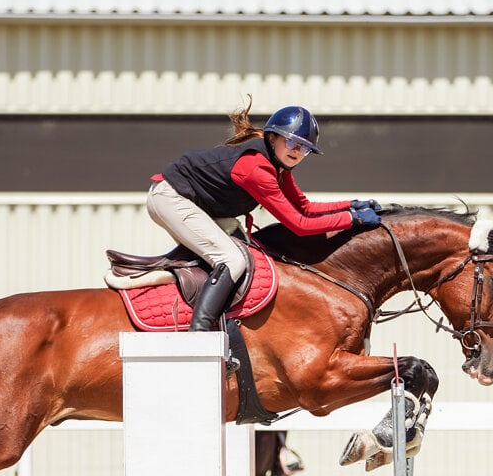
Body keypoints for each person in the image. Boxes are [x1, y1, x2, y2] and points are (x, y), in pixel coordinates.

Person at [148, 101, 383, 332]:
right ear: (272, 138)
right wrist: (353, 220)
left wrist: (350, 205)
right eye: (292, 142)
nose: (298, 152)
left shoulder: (278, 166)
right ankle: (199, 334)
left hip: (199, 204)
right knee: (232, 260)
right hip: (171, 198)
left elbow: (305, 207)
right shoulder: (256, 169)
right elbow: (300, 225)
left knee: (251, 253)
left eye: (305, 148)